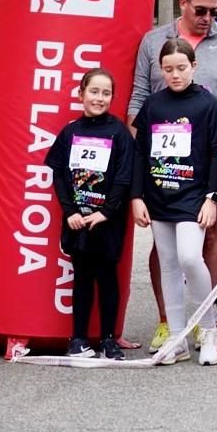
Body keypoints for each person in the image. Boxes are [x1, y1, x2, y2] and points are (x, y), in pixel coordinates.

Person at [128, 0, 217, 349]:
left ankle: (206, 320)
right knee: (165, 249)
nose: (207, 17)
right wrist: (138, 146)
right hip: (162, 161)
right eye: (200, 10)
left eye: (215, 11)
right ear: (183, 2)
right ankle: (171, 322)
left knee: (208, 235)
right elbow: (138, 95)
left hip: (214, 150)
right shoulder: (154, 42)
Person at [130, 37, 217, 366]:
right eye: (168, 69)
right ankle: (176, 337)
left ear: (194, 67)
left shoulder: (207, 104)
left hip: (194, 196)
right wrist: (136, 197)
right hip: (159, 195)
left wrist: (212, 199)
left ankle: (209, 330)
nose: (174, 75)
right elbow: (139, 154)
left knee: (191, 257)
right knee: (170, 266)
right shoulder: (153, 106)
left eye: (181, 68)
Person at [45, 68, 134, 360]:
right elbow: (58, 173)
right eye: (94, 91)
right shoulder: (70, 132)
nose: (99, 98)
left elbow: (123, 176)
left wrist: (107, 212)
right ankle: (78, 338)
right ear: (81, 93)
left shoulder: (119, 132)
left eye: (106, 93)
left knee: (108, 278)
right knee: (81, 279)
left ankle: (108, 339)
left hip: (107, 222)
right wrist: (70, 211)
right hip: (77, 221)